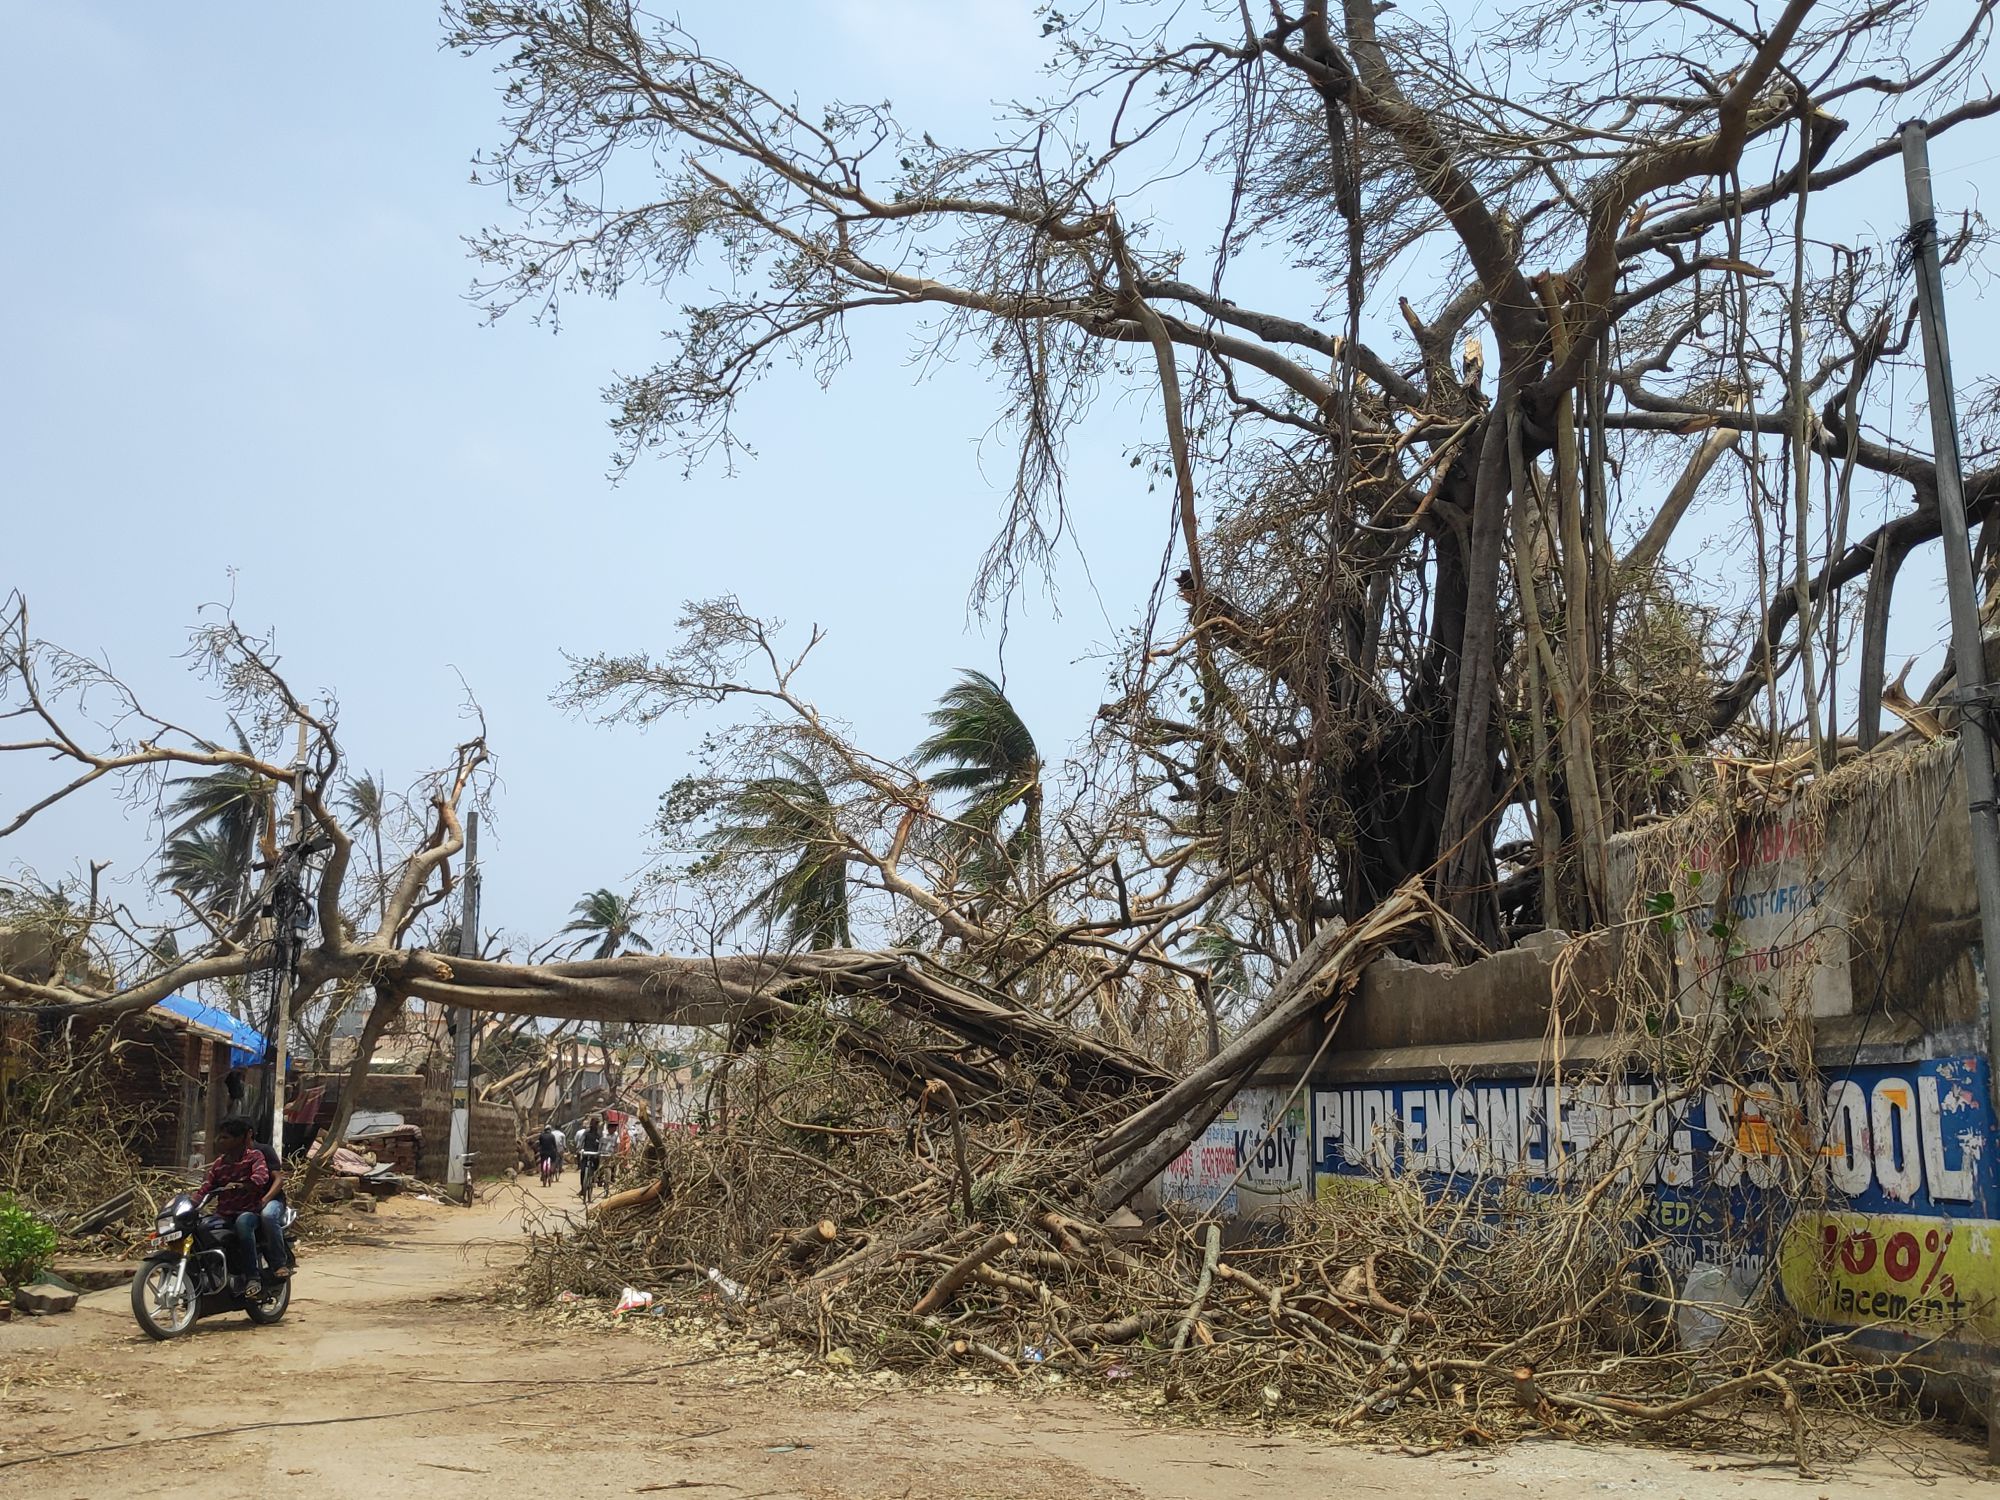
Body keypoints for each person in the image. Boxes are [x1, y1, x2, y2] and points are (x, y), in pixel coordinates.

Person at [196, 1116, 272, 1297]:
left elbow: (262, 1177)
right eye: (219, 1137)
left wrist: (243, 1184)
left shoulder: (255, 1157)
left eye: (225, 1137)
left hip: (249, 1211)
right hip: (224, 1214)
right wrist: (191, 1203)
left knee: (243, 1224)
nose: (219, 1141)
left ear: (239, 1140)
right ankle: (212, 1272)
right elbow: (206, 1188)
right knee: (201, 1227)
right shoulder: (219, 1164)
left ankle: (253, 1278)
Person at [251, 1136, 292, 1280]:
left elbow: (279, 1180)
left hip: (273, 1200)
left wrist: (265, 1200)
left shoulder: (263, 1151)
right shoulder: (231, 1155)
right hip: (246, 1203)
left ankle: (279, 1262)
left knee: (267, 1215)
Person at [577, 1116, 605, 1204]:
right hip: (586, 1153)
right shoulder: (586, 1132)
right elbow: (581, 1141)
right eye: (593, 1123)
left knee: (595, 1169)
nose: (594, 1125)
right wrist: (579, 1148)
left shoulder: (599, 1134)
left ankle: (592, 1180)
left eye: (596, 1124)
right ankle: (583, 1187)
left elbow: (601, 1144)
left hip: (595, 1155)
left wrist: (600, 1152)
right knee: (582, 1171)